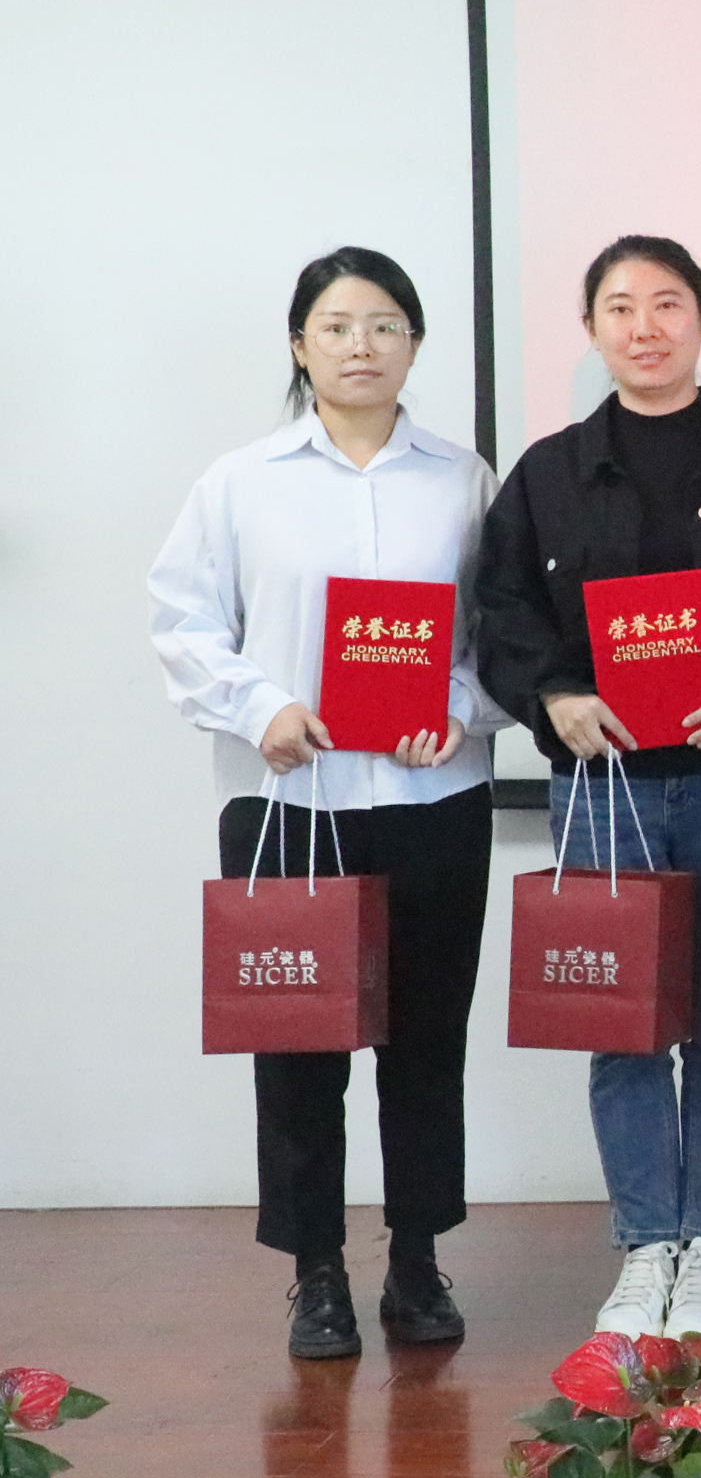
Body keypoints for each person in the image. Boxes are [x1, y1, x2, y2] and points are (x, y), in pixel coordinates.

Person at [149, 247, 503, 1360]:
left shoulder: (463, 480)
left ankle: (416, 1260)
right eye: (339, 326)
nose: (362, 346)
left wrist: (458, 707)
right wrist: (259, 708)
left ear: (415, 345)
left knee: (424, 1039)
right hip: (287, 799)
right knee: (298, 1046)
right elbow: (182, 621)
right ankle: (315, 1273)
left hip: (431, 794)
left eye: (386, 325)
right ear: (300, 345)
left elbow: (505, 635)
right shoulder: (241, 481)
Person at [475, 236, 701, 1342]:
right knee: (619, 1021)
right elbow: (502, 613)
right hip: (603, 785)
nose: (645, 327)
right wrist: (556, 698)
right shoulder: (549, 472)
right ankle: (643, 1245)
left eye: (668, 303)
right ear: (591, 330)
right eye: (620, 307)